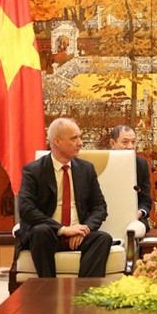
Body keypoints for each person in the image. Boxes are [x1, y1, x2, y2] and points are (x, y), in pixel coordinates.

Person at [18, 117, 111, 278]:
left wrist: (83, 229)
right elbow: (26, 209)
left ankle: (84, 294)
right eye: (74, 138)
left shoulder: (86, 169)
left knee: (103, 239)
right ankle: (48, 291)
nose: (80, 142)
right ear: (57, 141)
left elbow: (99, 207)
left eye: (79, 137)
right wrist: (63, 230)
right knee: (40, 232)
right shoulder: (33, 171)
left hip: (78, 235)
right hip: (49, 235)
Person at [109, 125, 151, 231]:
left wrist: (139, 213)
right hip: (107, 216)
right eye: (125, 142)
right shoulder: (102, 163)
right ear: (112, 143)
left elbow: (146, 199)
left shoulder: (141, 164)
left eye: (133, 142)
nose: (130, 146)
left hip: (134, 219)